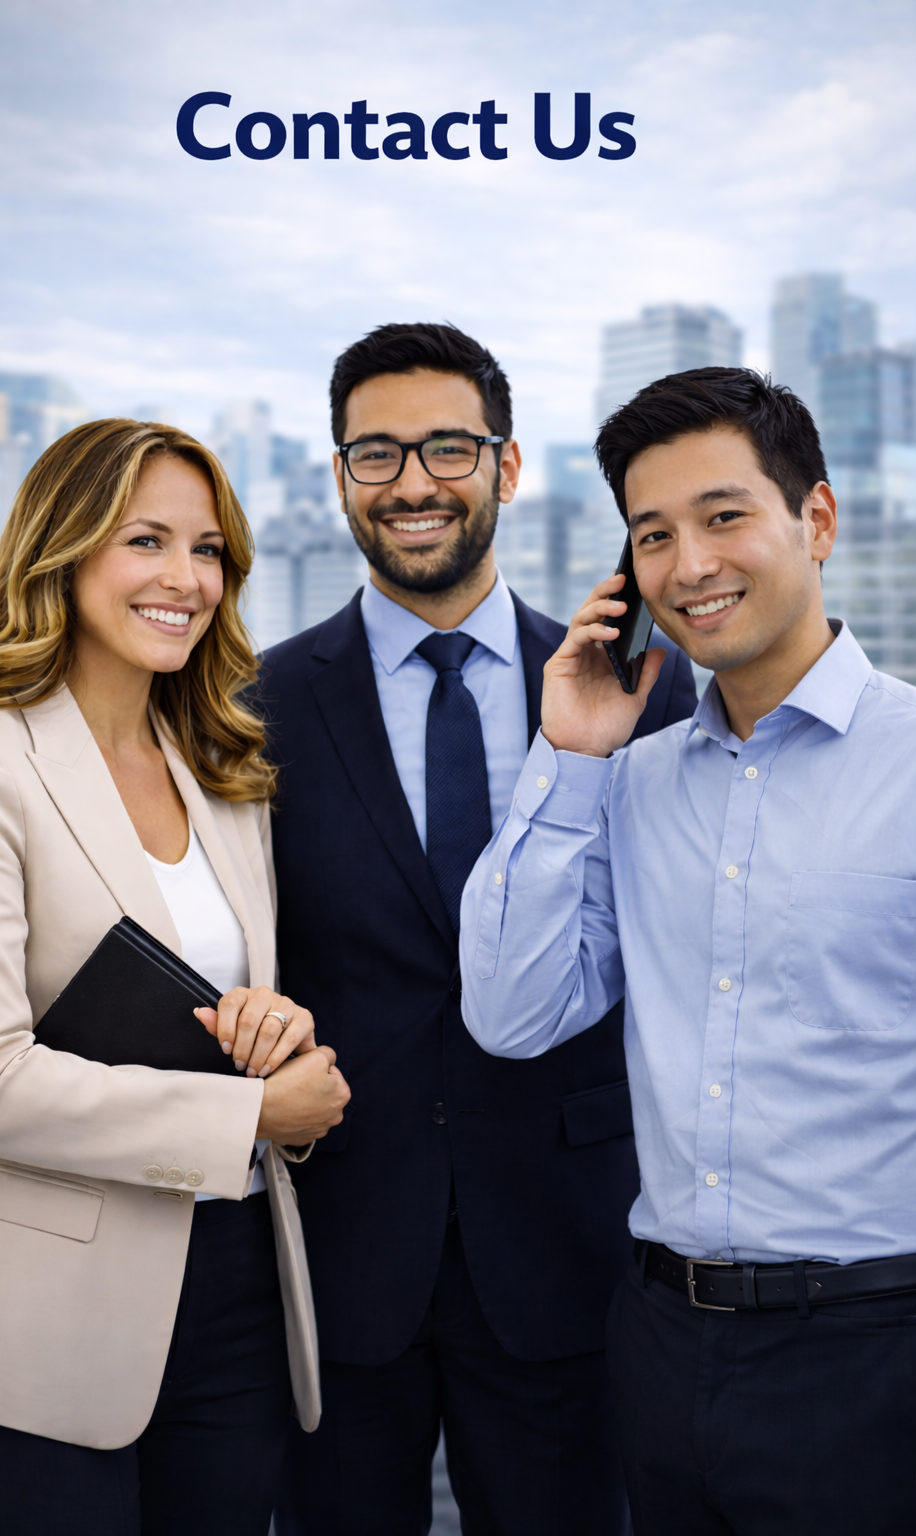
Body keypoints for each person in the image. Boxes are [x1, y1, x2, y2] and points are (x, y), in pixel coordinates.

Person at [460, 365, 916, 1535]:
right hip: (661, 1342)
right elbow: (511, 1012)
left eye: (724, 517)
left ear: (813, 520)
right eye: (652, 535)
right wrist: (568, 755)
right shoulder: (629, 781)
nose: (689, 565)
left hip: (876, 1349)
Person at [259, 323, 697, 1536]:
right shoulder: (256, 706)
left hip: (569, 1242)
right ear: (339, 476)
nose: (411, 483)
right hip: (343, 1245)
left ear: (505, 469)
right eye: (375, 454)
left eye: (447, 448)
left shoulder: (638, 691)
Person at [0, 418, 350, 1536]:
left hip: (239, 1294)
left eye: (208, 551)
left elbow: (219, 1011)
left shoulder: (223, 774)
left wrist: (272, 1032)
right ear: (65, 546)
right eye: (146, 539)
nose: (184, 579)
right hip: (37, 1328)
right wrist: (252, 1109)